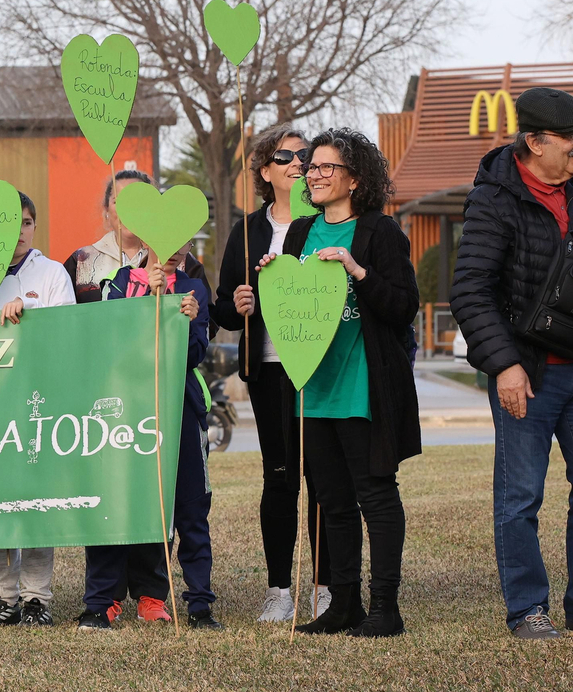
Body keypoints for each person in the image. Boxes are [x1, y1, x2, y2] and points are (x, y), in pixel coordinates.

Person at [260, 127, 419, 638]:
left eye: (327, 166)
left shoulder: (380, 233)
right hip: (313, 390)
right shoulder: (302, 233)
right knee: (331, 501)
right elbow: (295, 307)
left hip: (362, 388)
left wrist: (357, 269)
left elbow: (402, 307)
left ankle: (385, 607)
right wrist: (273, 277)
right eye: (311, 166)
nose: (314, 173)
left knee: (375, 495)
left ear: (355, 178)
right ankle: (343, 604)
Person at [452, 86, 573, 639]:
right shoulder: (493, 198)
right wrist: (503, 365)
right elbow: (471, 290)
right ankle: (528, 608)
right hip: (528, 371)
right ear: (534, 141)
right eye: (568, 148)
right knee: (521, 495)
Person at [212, 124, 333, 623]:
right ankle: (279, 590)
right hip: (266, 370)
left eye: (305, 155)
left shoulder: (327, 223)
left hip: (323, 368)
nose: (298, 163)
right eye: (286, 157)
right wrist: (238, 304)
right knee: (279, 478)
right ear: (265, 171)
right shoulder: (246, 231)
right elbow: (221, 306)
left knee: (324, 477)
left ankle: (326, 587)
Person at [78, 243, 221, 630]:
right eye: (164, 240)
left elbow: (192, 355)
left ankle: (194, 603)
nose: (174, 250)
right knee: (116, 500)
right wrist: (143, 296)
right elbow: (111, 343)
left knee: (188, 507)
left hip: (180, 410)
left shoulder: (194, 288)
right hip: (124, 412)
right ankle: (101, 601)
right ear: (144, 241)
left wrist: (189, 319)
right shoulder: (120, 282)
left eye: (183, 241)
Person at [0, 191, 74, 627]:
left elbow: (67, 333)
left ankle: (37, 597)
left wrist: (31, 315)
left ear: (34, 227)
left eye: (26, 222)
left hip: (40, 402)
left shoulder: (53, 272)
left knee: (37, 501)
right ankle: (2, 595)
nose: (19, 232)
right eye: (10, 224)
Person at [65, 169, 207, 304]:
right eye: (118, 202)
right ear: (106, 209)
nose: (130, 210)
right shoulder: (81, 261)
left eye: (139, 201)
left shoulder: (183, 261)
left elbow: (207, 320)